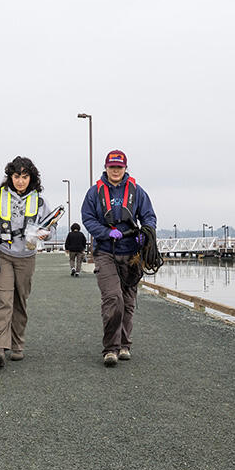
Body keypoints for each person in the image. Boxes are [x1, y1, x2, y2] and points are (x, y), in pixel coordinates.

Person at [0, 156, 58, 368]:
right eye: (16, 176)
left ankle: (17, 344)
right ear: (10, 177)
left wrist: (45, 235)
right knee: (3, 299)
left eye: (24, 176)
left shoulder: (40, 201)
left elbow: (51, 228)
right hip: (2, 254)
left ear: (31, 178)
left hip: (27, 257)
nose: (20, 181)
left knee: (20, 301)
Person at [80, 149, 157, 367]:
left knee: (129, 301)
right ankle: (111, 349)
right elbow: (87, 218)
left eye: (119, 167)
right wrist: (105, 233)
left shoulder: (137, 192)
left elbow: (149, 216)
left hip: (132, 254)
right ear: (106, 168)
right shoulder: (94, 193)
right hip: (106, 252)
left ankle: (125, 344)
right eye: (112, 167)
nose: (115, 171)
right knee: (113, 299)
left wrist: (146, 233)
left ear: (125, 168)